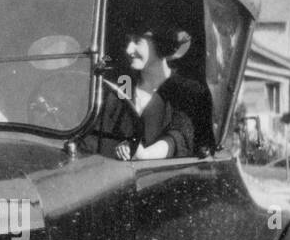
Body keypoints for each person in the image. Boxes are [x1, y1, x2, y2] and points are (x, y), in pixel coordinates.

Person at [83, 24, 214, 160]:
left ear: (161, 43)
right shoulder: (122, 85)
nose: (128, 50)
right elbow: (93, 138)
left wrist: (144, 154)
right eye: (128, 41)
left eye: (137, 42)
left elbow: (180, 136)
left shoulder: (189, 90)